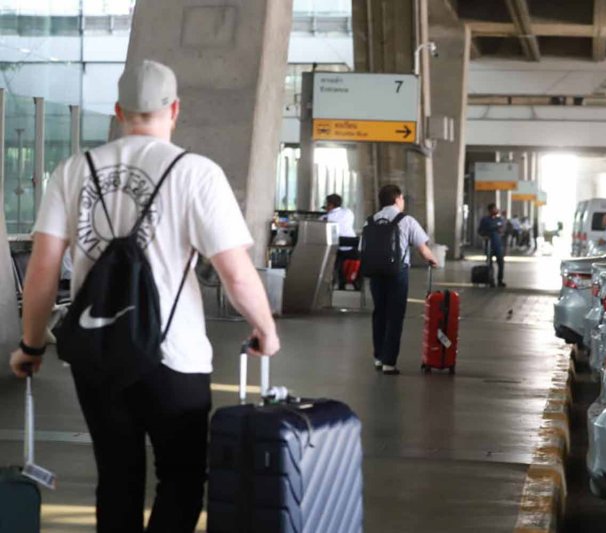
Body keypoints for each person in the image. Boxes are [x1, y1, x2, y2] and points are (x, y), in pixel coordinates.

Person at [9, 60, 281, 533]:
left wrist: (32, 345)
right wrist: (265, 330)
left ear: (118, 111)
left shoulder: (74, 170)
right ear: (175, 109)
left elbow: (42, 271)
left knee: (117, 476)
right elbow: (235, 274)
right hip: (175, 357)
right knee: (180, 478)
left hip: (97, 355)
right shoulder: (197, 173)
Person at [367, 184, 438, 375]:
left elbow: (362, 249)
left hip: (375, 272)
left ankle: (379, 358)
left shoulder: (370, 221)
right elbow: (423, 250)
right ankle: (389, 363)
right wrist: (433, 261)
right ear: (397, 199)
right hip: (397, 272)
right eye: (402, 199)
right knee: (395, 316)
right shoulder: (406, 221)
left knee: (379, 313)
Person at [321, 193, 357, 289]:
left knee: (333, 257)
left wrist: (327, 212)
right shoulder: (348, 212)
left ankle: (333, 281)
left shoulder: (326, 218)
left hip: (338, 248)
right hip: (353, 247)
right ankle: (350, 281)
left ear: (331, 205)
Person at [478, 203, 506, 287]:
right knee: (489, 264)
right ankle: (490, 280)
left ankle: (500, 280)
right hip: (489, 244)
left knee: (501, 263)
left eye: (496, 209)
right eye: (494, 209)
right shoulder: (485, 220)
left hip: (498, 245)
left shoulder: (500, 219)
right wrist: (484, 235)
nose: (496, 210)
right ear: (490, 210)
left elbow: (503, 230)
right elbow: (480, 230)